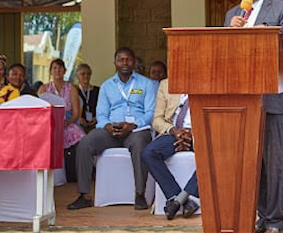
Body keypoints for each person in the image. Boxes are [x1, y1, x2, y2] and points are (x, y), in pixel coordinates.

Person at [225, 0, 283, 233]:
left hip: (272, 96)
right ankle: (261, 217)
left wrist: (270, 32)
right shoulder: (232, 14)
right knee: (251, 162)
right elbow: (226, 57)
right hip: (243, 99)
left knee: (273, 162)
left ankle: (277, 220)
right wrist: (229, 34)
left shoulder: (282, 8)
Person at [68, 47, 157, 211]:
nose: (125, 62)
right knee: (85, 144)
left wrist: (133, 125)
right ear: (115, 63)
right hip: (112, 130)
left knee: (140, 143)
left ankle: (140, 194)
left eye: (128, 59)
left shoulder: (146, 84)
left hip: (136, 129)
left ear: (134, 61)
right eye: (121, 59)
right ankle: (84, 195)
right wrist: (107, 126)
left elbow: (151, 112)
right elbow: (101, 114)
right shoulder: (107, 86)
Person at [141, 78, 199, 220]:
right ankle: (178, 198)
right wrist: (174, 130)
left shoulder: (206, 82)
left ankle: (179, 200)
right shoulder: (166, 84)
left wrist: (192, 133)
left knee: (214, 156)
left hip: (199, 133)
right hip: (173, 132)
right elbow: (157, 119)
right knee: (149, 153)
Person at [38, 59, 85, 150]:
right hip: (49, 123)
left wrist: (68, 122)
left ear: (65, 71)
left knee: (80, 138)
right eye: (54, 68)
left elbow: (76, 112)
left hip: (67, 122)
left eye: (60, 68)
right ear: (50, 71)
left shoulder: (72, 88)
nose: (57, 70)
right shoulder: (43, 88)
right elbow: (39, 110)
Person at [75, 63, 100, 133]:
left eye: (88, 74)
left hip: (95, 124)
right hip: (79, 125)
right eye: (83, 74)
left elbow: (103, 107)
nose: (86, 76)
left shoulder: (98, 90)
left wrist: (97, 117)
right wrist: (78, 118)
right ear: (77, 75)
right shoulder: (73, 91)